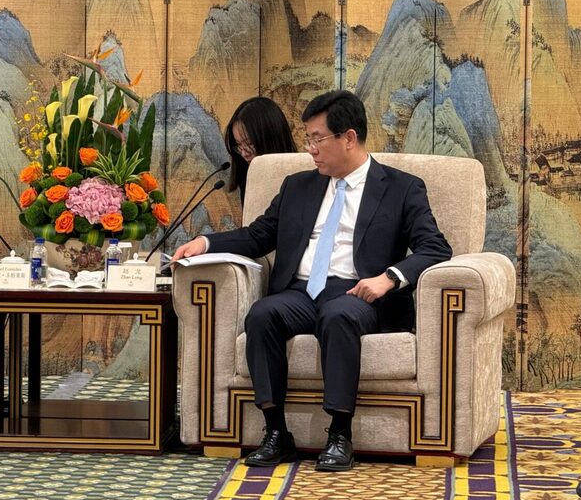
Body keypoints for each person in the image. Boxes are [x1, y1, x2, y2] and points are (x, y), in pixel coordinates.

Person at [173, 89, 451, 472]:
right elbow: (258, 235)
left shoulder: (401, 187)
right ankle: (276, 433)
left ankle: (339, 434)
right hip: (301, 292)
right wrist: (205, 243)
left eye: (317, 139)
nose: (310, 149)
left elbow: (435, 247)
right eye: (308, 139)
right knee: (262, 315)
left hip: (358, 293)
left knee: (338, 316)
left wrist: (389, 278)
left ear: (349, 138)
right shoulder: (298, 185)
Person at [224, 96, 298, 199]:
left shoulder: (298, 180)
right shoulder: (248, 179)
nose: (244, 153)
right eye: (239, 145)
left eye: (250, 143)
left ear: (272, 138)